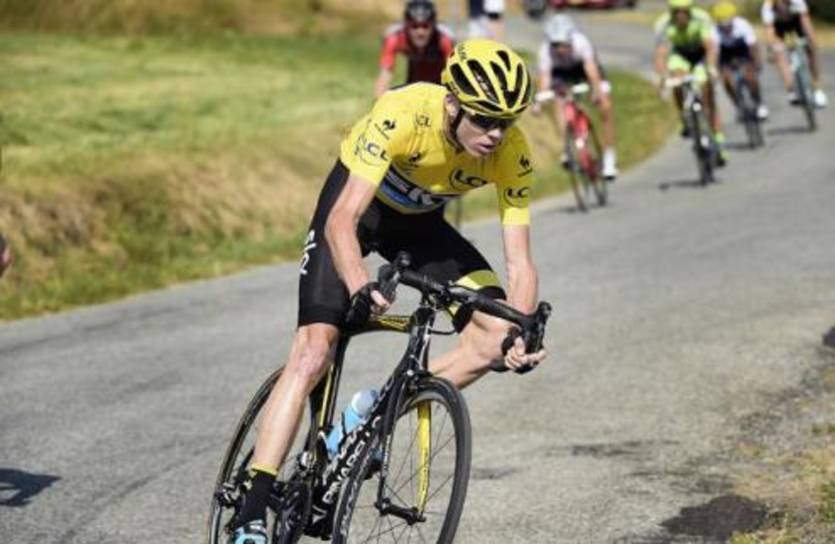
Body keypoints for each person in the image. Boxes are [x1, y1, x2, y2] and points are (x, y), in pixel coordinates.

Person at [227, 39, 547, 543]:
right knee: (314, 351)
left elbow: (520, 261)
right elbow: (341, 219)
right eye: (484, 119)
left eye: (506, 121)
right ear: (452, 103)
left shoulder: (512, 152)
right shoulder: (403, 113)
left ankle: (372, 413)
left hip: (420, 229)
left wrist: (520, 330)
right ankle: (251, 508)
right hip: (355, 214)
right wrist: (359, 284)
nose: (495, 133)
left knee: (493, 337)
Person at [534, 14, 618, 180]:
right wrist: (539, 102)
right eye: (555, 45)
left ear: (570, 39)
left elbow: (592, 70)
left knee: (605, 106)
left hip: (582, 68)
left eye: (564, 44)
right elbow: (545, 78)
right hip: (560, 73)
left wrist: (596, 91)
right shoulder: (545, 51)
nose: (560, 49)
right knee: (558, 101)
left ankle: (609, 157)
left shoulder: (581, 42)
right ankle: (567, 146)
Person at [654, 0, 727, 165]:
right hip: (680, 57)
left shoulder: (701, 18)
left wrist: (712, 68)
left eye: (684, 11)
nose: (681, 16)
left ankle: (719, 139)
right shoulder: (663, 24)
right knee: (677, 79)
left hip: (701, 56)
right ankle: (685, 117)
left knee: (708, 96)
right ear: (671, 12)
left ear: (690, 11)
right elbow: (660, 54)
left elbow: (710, 46)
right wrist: (662, 78)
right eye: (677, 12)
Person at [374, 0, 455, 98]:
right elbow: (385, 74)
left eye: (425, 26)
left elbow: (454, 76)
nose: (420, 32)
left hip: (438, 75)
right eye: (414, 26)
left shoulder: (444, 39)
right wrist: (380, 103)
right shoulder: (395, 37)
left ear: (433, 25)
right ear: (406, 25)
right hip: (414, 75)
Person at [761, 0, 827, 107]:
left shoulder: (797, 1)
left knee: (811, 50)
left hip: (797, 23)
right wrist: (771, 49)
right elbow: (769, 31)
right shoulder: (768, 6)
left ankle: (817, 88)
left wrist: (812, 40)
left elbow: (806, 22)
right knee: (779, 55)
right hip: (779, 27)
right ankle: (791, 90)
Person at [712, 0, 769, 121]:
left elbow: (752, 46)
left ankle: (759, 103)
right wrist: (715, 70)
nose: (726, 27)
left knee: (751, 77)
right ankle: (738, 105)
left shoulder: (742, 24)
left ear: (734, 18)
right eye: (723, 24)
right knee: (726, 81)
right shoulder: (714, 31)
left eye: (729, 24)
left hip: (743, 51)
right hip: (725, 54)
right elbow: (714, 53)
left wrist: (756, 62)